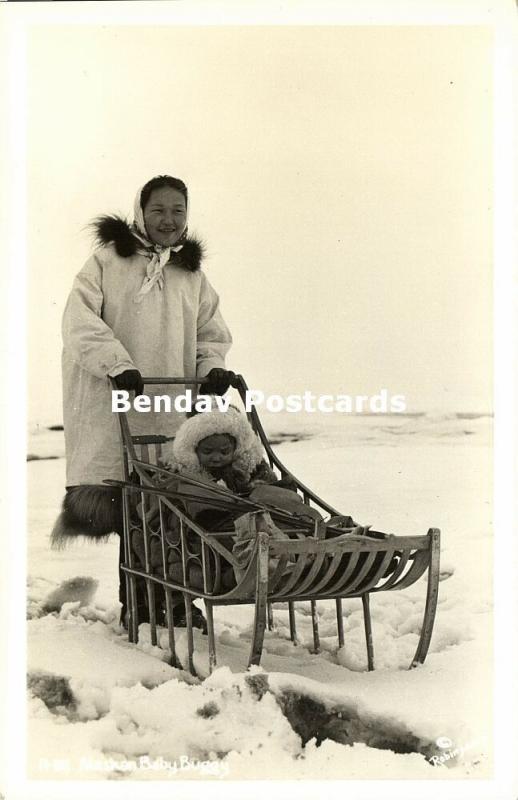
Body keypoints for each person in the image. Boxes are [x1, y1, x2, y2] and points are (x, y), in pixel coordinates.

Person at [51, 174, 234, 622]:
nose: (168, 220)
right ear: (140, 211)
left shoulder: (192, 276)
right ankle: (144, 602)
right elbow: (79, 321)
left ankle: (163, 599)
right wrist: (117, 363)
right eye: (159, 210)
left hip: (169, 406)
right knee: (131, 504)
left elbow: (210, 333)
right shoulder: (105, 262)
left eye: (178, 211)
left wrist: (210, 371)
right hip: (113, 398)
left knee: (165, 505)